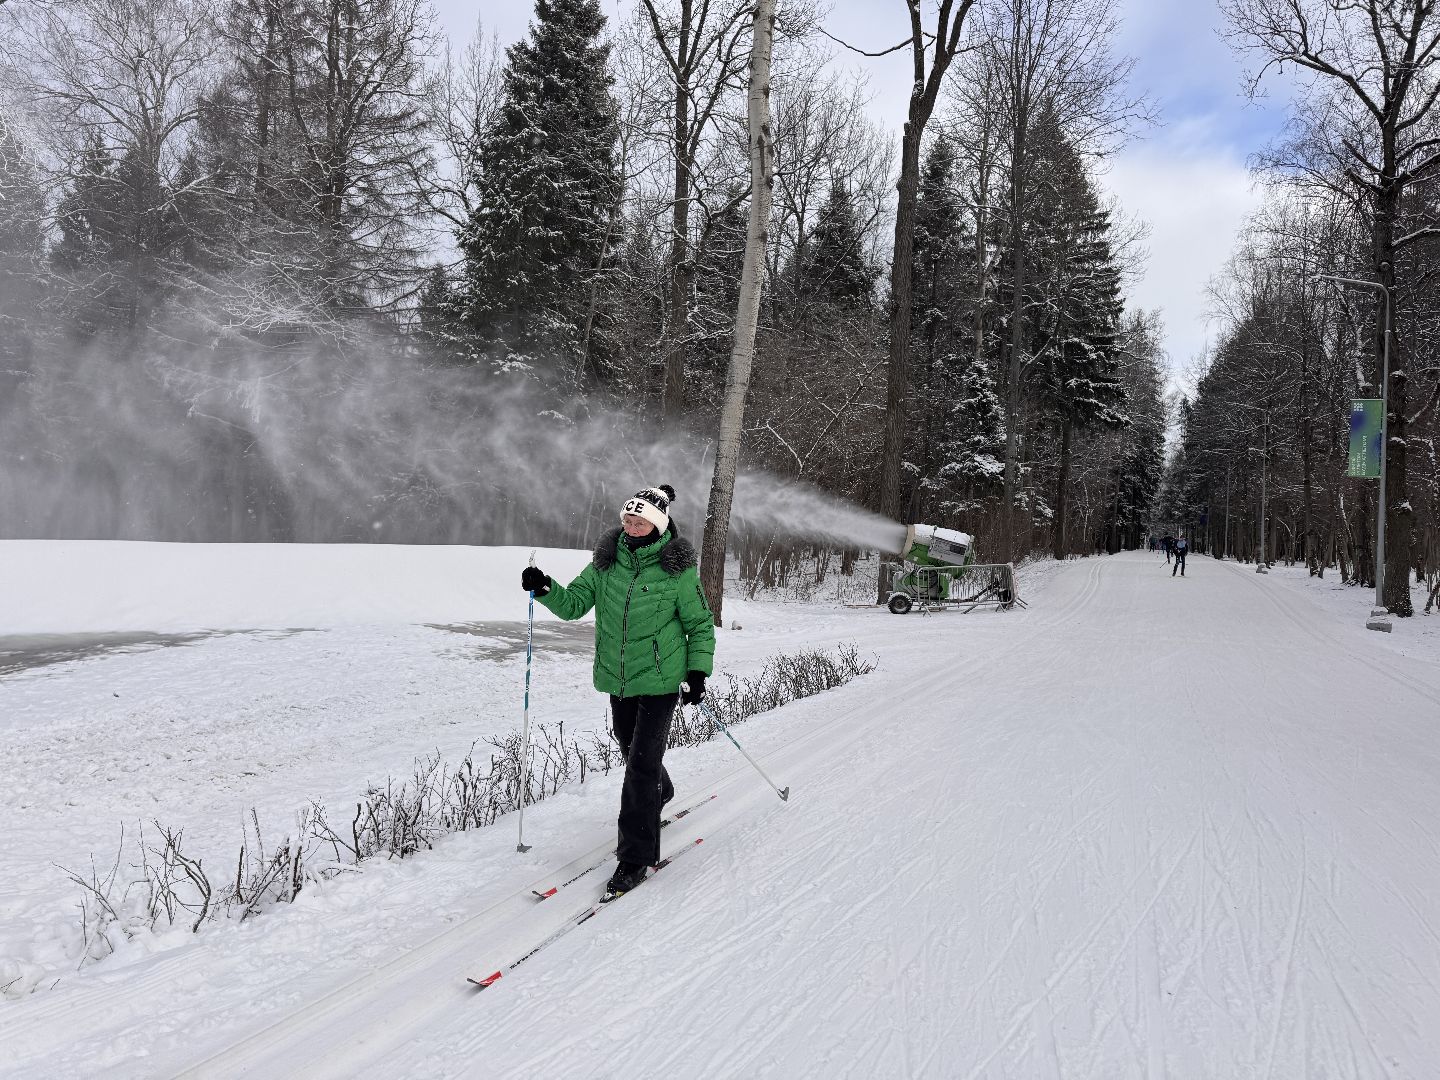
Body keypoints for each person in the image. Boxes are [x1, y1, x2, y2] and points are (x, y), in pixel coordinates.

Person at [520, 484, 716, 897]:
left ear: (658, 524)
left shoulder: (677, 571)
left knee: (641, 767)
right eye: (627, 519)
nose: (631, 526)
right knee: (631, 752)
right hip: (618, 678)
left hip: (662, 681)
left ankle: (635, 858)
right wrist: (544, 586)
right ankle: (662, 790)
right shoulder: (605, 565)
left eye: (639, 520)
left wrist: (697, 672)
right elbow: (573, 604)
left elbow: (699, 624)